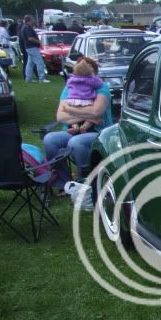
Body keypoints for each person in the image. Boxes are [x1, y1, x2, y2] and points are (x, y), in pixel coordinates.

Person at [44, 57, 113, 209]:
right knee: (50, 139)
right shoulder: (70, 86)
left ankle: (85, 184)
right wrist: (86, 115)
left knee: (77, 142)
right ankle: (63, 183)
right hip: (72, 129)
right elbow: (60, 117)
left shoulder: (102, 87)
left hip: (99, 132)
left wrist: (70, 110)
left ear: (94, 74)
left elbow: (97, 111)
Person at [64, 57, 104, 135]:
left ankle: (75, 126)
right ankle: (85, 126)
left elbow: (68, 84)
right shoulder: (90, 80)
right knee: (92, 116)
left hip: (73, 101)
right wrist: (93, 76)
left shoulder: (72, 79)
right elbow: (99, 84)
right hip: (86, 101)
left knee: (72, 114)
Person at [21, 15, 49, 83]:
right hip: (32, 47)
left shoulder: (24, 27)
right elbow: (30, 38)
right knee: (40, 63)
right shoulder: (28, 28)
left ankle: (28, 78)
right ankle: (42, 79)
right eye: (32, 19)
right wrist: (39, 42)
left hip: (28, 47)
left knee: (30, 64)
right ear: (29, 20)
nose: (33, 20)